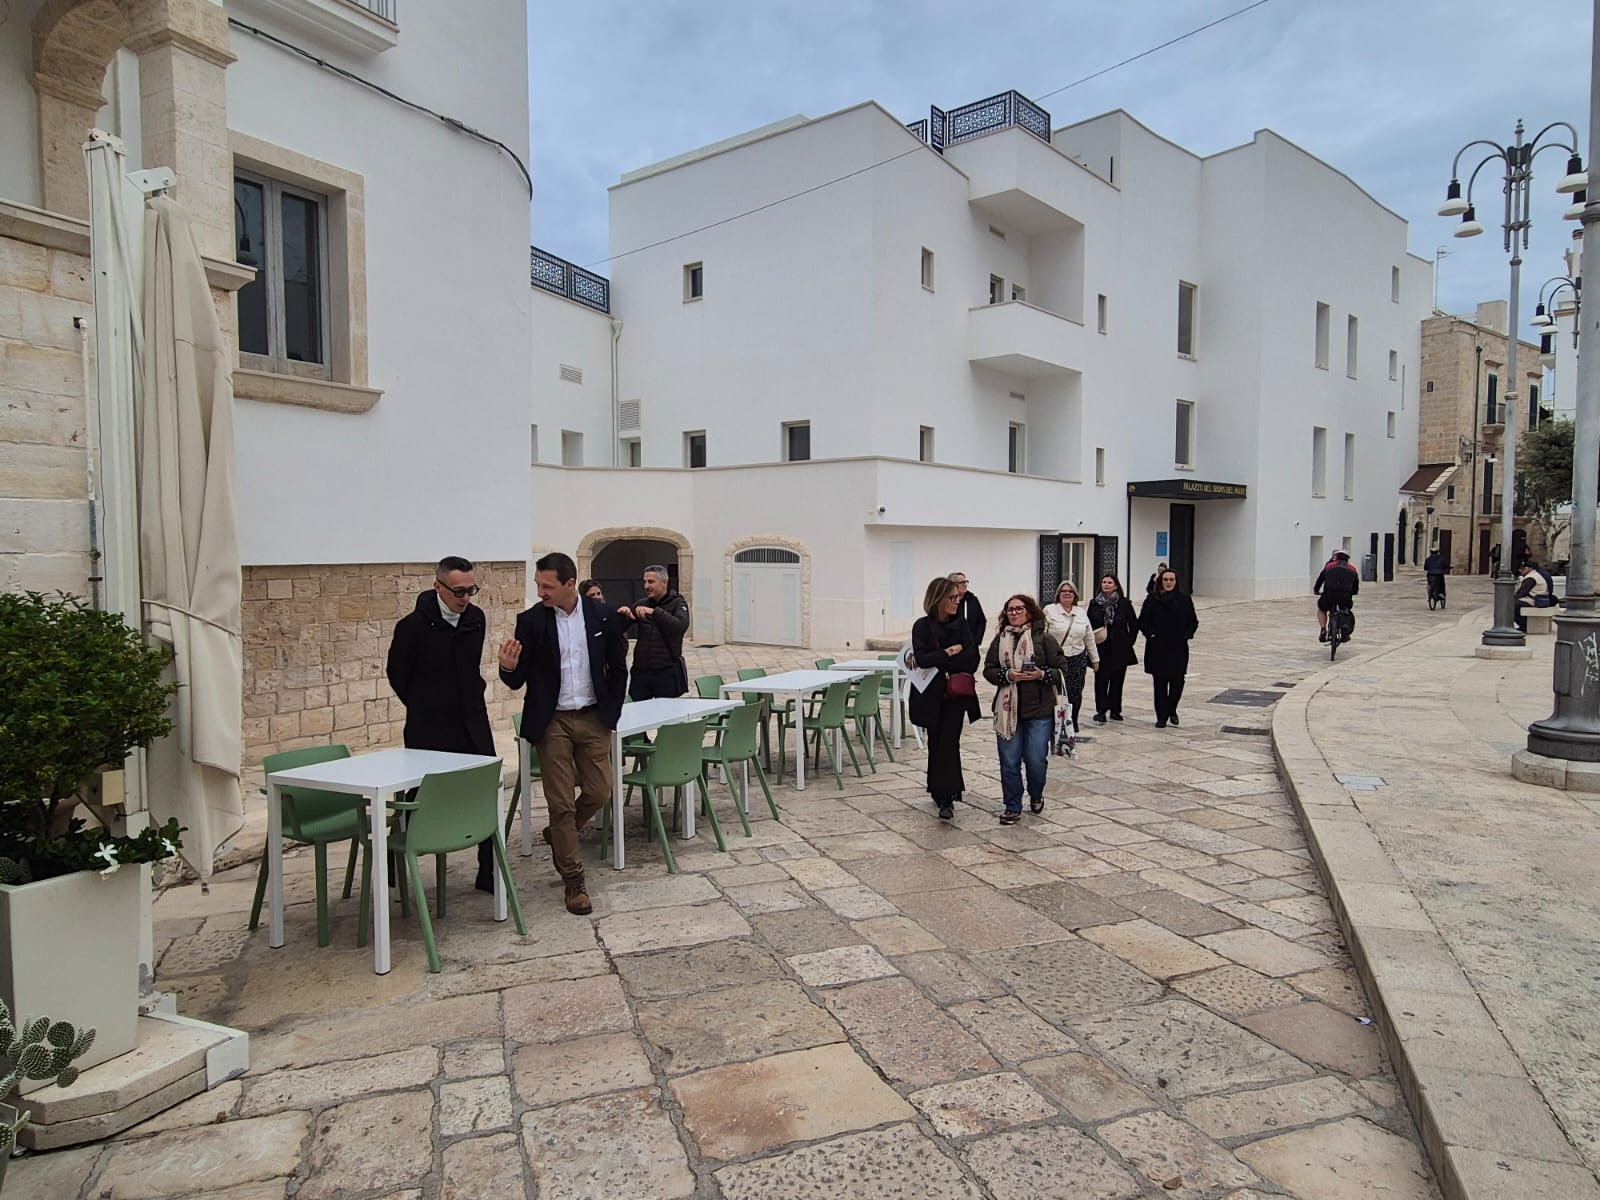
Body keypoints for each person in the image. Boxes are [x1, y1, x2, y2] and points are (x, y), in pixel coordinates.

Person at [497, 551, 629, 915]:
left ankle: (560, 833)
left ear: (570, 584)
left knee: (600, 791)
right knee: (561, 803)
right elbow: (517, 678)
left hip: (593, 717)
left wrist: (611, 713)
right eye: (538, 585)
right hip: (552, 721)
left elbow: (618, 668)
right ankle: (573, 880)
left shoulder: (603, 616)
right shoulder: (531, 621)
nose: (541, 592)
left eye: (547, 586)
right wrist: (507, 668)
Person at [386, 556, 497, 891]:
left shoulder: (475, 619)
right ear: (438, 587)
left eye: (471, 591)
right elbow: (397, 674)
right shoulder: (411, 627)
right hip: (429, 725)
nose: (465, 598)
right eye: (458, 591)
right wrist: (424, 704)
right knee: (421, 793)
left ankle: (489, 871)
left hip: (472, 719)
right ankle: (395, 864)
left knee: (483, 789)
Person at [983, 594, 1069, 823]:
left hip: (1039, 710)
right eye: (1010, 609)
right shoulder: (1001, 639)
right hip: (1007, 711)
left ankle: (1036, 793)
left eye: (1019, 609)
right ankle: (1012, 806)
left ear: (1029, 611)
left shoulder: (1044, 638)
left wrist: (1042, 674)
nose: (1014, 613)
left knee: (1035, 759)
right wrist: (1007, 675)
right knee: (1009, 761)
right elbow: (989, 669)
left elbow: (1062, 670)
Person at [910, 576, 981, 821]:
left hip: (955, 695)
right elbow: (921, 659)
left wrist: (941, 660)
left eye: (958, 597)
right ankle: (937, 788)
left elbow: (972, 658)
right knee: (936, 742)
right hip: (931, 696)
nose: (957, 601)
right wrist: (949, 652)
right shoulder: (922, 626)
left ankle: (948, 796)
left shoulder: (961, 624)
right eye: (952, 597)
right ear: (939, 599)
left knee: (949, 743)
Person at [618, 565, 690, 701]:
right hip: (641, 672)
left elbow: (680, 626)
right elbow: (619, 627)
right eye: (645, 582)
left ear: (664, 582)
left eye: (651, 582)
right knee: (637, 710)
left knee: (666, 712)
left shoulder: (678, 603)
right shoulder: (642, 604)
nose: (646, 586)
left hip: (666, 671)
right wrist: (623, 615)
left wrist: (655, 612)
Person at [1139, 567, 1198, 729]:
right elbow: (1143, 621)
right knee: (1160, 683)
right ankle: (1161, 716)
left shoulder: (1184, 599)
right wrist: (1151, 635)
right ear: (1160, 581)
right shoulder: (1152, 599)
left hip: (1178, 647)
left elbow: (1192, 621)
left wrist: (1187, 635)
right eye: (1165, 580)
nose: (1168, 582)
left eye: (1171, 580)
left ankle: (1172, 709)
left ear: (1176, 581)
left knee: (1178, 681)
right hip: (1158, 647)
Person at [1041, 580, 1099, 733]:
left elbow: (1089, 637)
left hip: (1077, 657)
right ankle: (1056, 721)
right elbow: (1042, 635)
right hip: (1057, 658)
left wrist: (1095, 659)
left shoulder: (1081, 612)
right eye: (1064, 591)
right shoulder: (1050, 610)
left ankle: (1072, 720)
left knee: (1075, 691)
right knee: (1057, 691)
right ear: (1058, 594)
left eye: (1070, 591)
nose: (1067, 594)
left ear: (1075, 595)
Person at [1087, 573, 1139, 723]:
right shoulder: (1094, 603)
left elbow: (1133, 625)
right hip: (1101, 648)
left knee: (1117, 680)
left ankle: (1115, 709)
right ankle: (1101, 710)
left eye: (1109, 582)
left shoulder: (1124, 603)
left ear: (1116, 586)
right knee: (1101, 680)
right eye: (1104, 582)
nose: (1106, 584)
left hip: (1119, 648)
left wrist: (1128, 642)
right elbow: (1088, 625)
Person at [1313, 550, 1360, 643]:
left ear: (1336, 557)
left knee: (1322, 608)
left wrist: (1316, 590)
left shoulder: (1329, 566)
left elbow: (1320, 580)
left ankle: (1323, 629)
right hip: (1345, 596)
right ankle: (1345, 629)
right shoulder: (1352, 569)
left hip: (1329, 595)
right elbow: (1355, 585)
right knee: (1346, 610)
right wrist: (1353, 592)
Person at [949, 571, 987, 649]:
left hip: (971, 646)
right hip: (953, 647)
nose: (965, 585)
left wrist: (976, 641)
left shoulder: (972, 600)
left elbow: (981, 621)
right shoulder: (947, 602)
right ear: (952, 585)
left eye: (966, 582)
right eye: (961, 582)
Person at [1514, 561, 1552, 632]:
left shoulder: (1531, 578)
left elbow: (1522, 593)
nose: (1520, 570)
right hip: (1537, 599)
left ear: (1530, 568)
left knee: (1511, 605)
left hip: (1534, 601)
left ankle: (1524, 625)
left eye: (1523, 568)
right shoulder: (1535, 575)